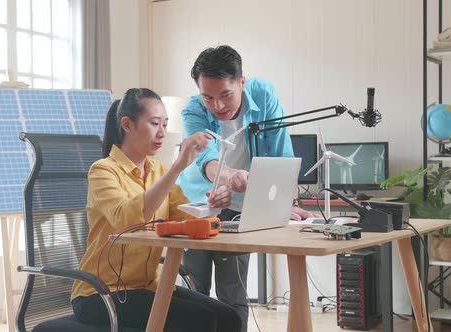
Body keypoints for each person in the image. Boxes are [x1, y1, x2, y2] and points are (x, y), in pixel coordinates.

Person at [71, 88, 242, 332]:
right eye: (154, 123)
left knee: (228, 317)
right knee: (201, 320)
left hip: (147, 287)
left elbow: (185, 217)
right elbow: (127, 220)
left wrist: (211, 206)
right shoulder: (103, 171)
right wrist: (178, 166)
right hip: (102, 293)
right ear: (127, 125)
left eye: (165, 124)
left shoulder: (157, 171)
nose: (162, 132)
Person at [178, 45, 316, 331]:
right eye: (208, 97)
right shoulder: (193, 109)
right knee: (194, 288)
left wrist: (285, 203)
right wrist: (229, 176)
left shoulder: (263, 95)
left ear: (242, 81)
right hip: (196, 206)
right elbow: (205, 159)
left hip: (242, 207)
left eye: (225, 95)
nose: (217, 105)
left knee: (233, 291)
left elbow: (281, 151)